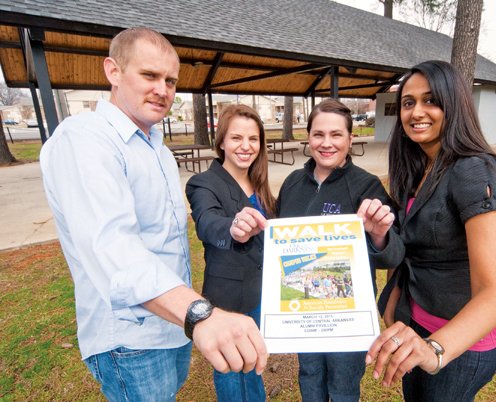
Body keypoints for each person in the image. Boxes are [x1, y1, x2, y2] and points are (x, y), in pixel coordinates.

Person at [39, 27, 267, 401]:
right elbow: (113, 247)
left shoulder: (156, 147)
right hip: (131, 335)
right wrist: (201, 314)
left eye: (170, 80)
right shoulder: (85, 139)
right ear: (113, 71)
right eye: (149, 75)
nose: (162, 89)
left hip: (172, 324)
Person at [366, 60, 496, 402]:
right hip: (415, 326)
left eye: (431, 100)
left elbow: (494, 293)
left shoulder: (474, 170)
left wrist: (435, 349)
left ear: (454, 104)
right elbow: (410, 249)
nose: (417, 112)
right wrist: (395, 304)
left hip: (459, 343)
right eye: (408, 102)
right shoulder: (416, 167)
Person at [277, 98, 402, 402]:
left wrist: (380, 235)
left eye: (336, 135)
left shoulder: (367, 187)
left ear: (350, 138)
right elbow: (279, 247)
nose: (326, 143)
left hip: (348, 317)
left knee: (343, 383)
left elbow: (394, 254)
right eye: (319, 134)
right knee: (309, 374)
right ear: (308, 137)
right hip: (304, 312)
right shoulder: (292, 184)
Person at [185, 104, 275, 401]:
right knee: (231, 373)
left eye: (253, 139)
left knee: (255, 363)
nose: (246, 146)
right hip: (228, 298)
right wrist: (233, 227)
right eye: (236, 138)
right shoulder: (203, 183)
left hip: (261, 292)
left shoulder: (259, 182)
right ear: (221, 141)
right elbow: (208, 222)